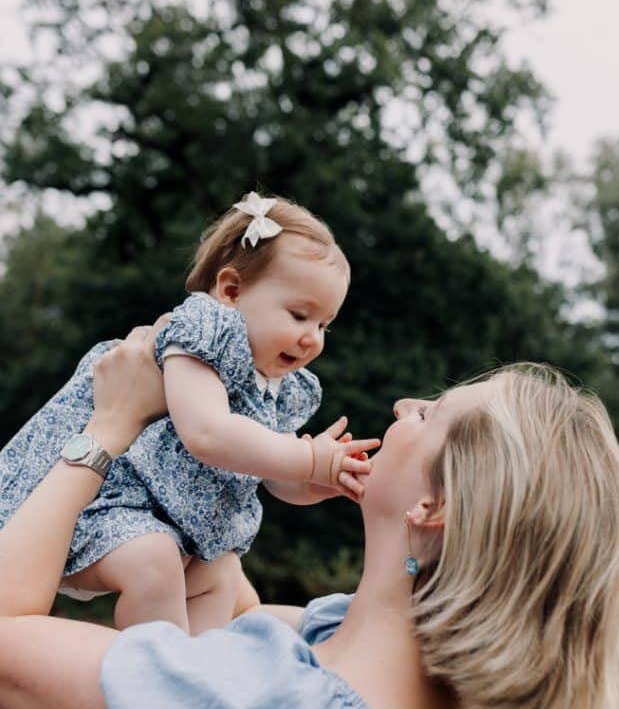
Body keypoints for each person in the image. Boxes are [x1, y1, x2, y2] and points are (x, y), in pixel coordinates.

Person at [0, 324, 619, 709]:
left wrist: (106, 428)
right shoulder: (457, 700)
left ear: (435, 505)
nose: (402, 406)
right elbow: (235, 612)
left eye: (428, 415)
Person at [0, 193, 377, 633]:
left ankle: (200, 674)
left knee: (219, 571)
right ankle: (154, 679)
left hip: (170, 524)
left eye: (323, 325)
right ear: (231, 291)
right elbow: (207, 433)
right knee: (154, 560)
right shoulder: (202, 333)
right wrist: (309, 458)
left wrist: (310, 481)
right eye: (299, 315)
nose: (312, 338)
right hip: (106, 499)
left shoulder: (278, 388)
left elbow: (267, 472)